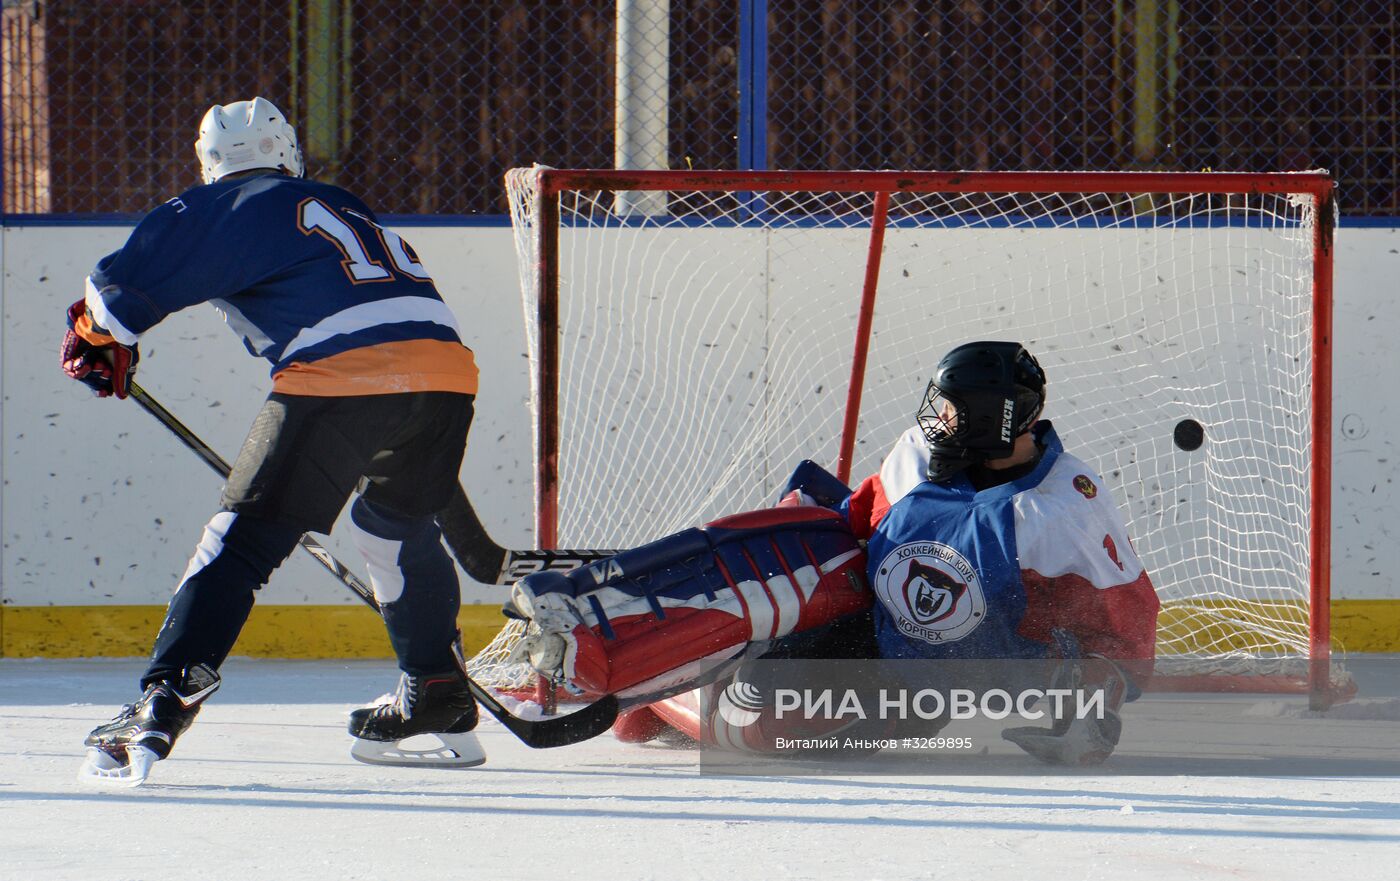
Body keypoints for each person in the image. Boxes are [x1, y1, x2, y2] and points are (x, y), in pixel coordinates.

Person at [63, 98, 484, 784]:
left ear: (210, 163)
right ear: (288, 153)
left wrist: (95, 336)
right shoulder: (336, 201)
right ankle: (434, 688)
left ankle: (162, 700)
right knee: (393, 525)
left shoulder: (231, 200)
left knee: (240, 539)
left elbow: (114, 295)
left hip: (344, 378)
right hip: (443, 376)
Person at [508, 341, 1160, 765]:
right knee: (761, 646)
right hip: (869, 629)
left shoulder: (1065, 509)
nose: (938, 420)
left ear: (997, 419)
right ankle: (626, 651)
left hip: (934, 689)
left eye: (954, 412)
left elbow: (1128, 632)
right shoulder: (915, 454)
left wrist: (1090, 705)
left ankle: (654, 699)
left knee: (768, 722)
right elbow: (849, 524)